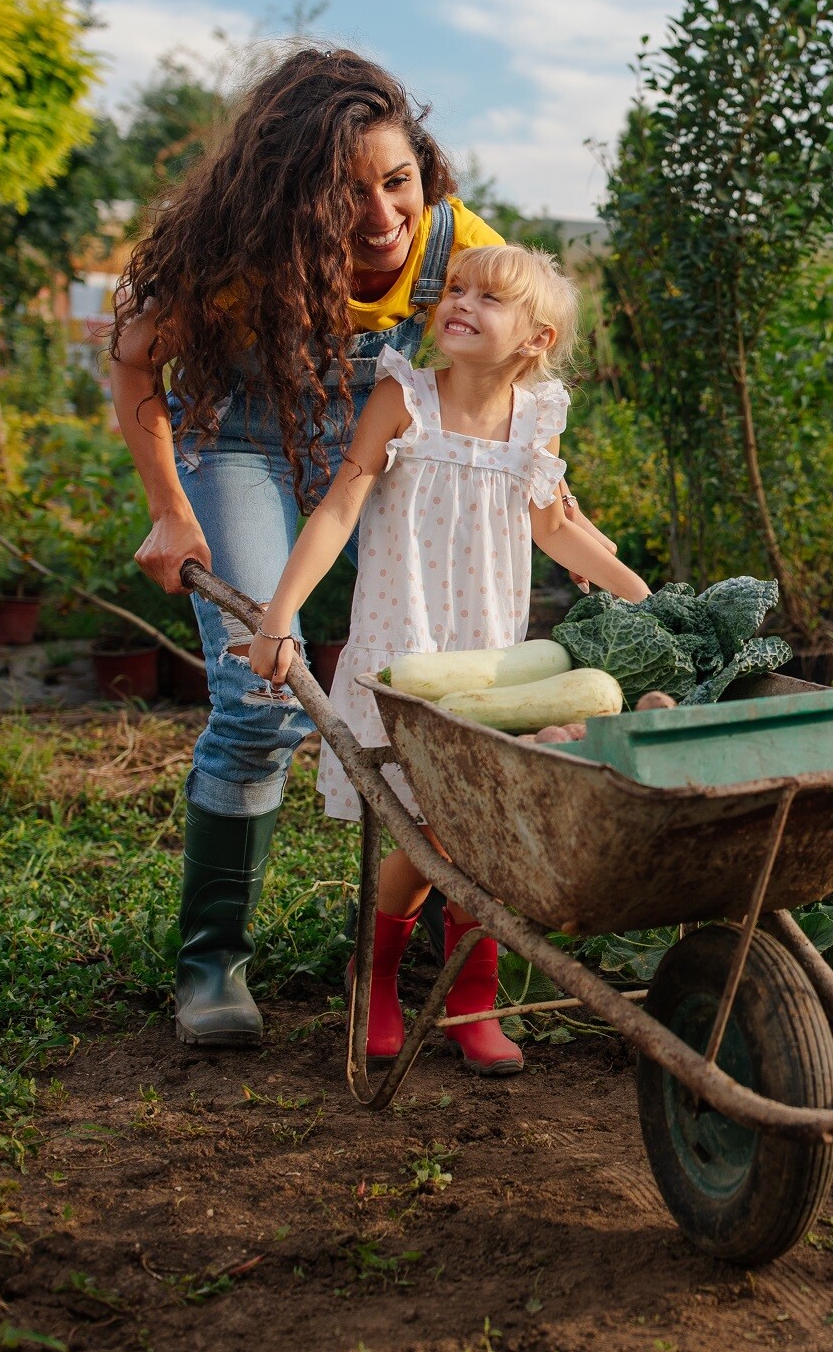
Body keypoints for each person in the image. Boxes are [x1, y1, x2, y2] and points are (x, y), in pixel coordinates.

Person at [108, 50, 615, 1049]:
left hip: (381, 429)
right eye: (346, 196)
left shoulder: (456, 242)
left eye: (398, 181)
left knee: (462, 700)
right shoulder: (232, 256)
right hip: (245, 439)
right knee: (257, 699)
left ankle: (414, 962)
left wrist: (559, 513)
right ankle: (213, 962)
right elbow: (134, 357)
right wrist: (171, 509)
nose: (384, 218)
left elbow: (505, 391)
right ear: (287, 199)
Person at [246, 244, 649, 1073]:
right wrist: (279, 613)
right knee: (431, 828)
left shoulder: (538, 418)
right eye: (454, 290)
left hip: (491, 661)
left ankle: (471, 1002)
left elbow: (553, 525)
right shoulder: (404, 398)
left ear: (535, 340)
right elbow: (340, 503)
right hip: (411, 650)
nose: (458, 303)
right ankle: (380, 976)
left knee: (483, 826)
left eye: (487, 299)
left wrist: (644, 597)